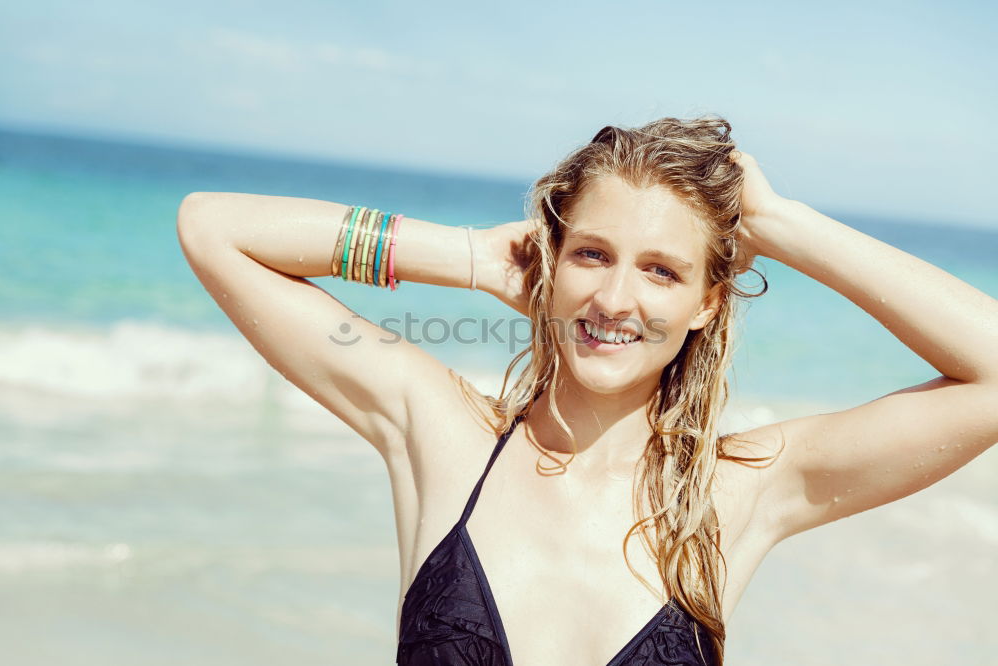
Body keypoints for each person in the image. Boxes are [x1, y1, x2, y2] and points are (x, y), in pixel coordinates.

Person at [175, 116, 998, 666]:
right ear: (550, 262)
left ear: (708, 302)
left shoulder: (740, 490)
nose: (614, 301)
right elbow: (214, 230)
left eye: (663, 270)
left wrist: (780, 224)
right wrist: (464, 257)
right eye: (592, 255)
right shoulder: (447, 437)